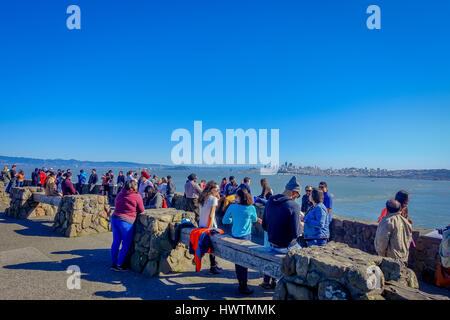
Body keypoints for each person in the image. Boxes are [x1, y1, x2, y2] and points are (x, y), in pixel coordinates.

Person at [261, 176, 302, 289]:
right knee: (305, 254)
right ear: (294, 192)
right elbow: (295, 233)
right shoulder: (294, 206)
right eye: (297, 196)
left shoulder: (270, 201)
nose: (296, 198)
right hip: (286, 247)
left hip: (271, 244)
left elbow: (264, 226)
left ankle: (270, 280)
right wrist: (301, 225)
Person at [222, 188, 261, 294]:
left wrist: (233, 219)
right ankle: (243, 286)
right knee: (245, 261)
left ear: (239, 197)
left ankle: (241, 283)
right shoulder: (251, 208)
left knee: (237, 260)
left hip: (234, 236)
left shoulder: (233, 206)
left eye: (236, 196)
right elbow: (254, 220)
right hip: (246, 237)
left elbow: (225, 220)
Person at [111, 180, 145, 271]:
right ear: (134, 187)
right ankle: (119, 265)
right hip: (126, 221)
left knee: (116, 242)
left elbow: (115, 204)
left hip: (114, 218)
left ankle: (113, 263)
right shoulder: (136, 196)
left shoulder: (120, 194)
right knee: (126, 243)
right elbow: (142, 210)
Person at [374, 200, 412, 265]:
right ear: (399, 208)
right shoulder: (406, 222)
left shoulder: (387, 221)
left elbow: (382, 241)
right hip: (403, 258)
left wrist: (381, 256)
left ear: (387, 209)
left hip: (390, 260)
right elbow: (408, 240)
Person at [198, 181, 221, 275]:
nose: (218, 191)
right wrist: (208, 228)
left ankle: (214, 264)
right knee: (213, 248)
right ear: (212, 190)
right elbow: (211, 216)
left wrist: (217, 195)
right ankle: (213, 267)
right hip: (210, 226)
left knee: (211, 247)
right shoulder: (213, 199)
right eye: (217, 189)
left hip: (201, 224)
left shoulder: (202, 198)